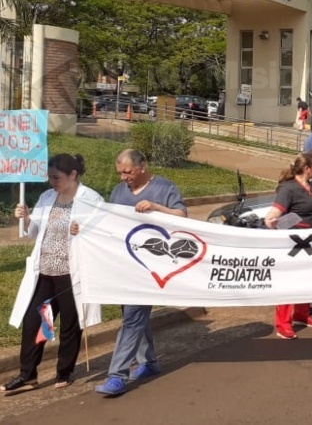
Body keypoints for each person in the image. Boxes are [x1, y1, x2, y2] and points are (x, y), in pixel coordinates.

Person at [2, 155, 104, 393]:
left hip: (71, 274)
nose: (52, 182)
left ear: (73, 175)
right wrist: (26, 218)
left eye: (56, 177)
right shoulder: (47, 197)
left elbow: (101, 233)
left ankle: (64, 371)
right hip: (46, 272)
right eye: (49, 177)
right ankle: (28, 375)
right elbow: (35, 231)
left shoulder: (91, 199)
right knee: (36, 322)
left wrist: (83, 230)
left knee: (70, 323)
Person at [95, 149, 187, 396]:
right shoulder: (117, 192)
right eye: (120, 173)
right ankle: (149, 362)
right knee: (133, 314)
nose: (124, 177)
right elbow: (108, 222)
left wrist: (156, 208)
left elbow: (182, 216)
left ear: (142, 167)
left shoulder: (164, 188)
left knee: (132, 318)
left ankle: (117, 375)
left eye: (128, 171)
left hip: (153, 267)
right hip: (125, 265)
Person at [264, 153, 312, 339]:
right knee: (289, 282)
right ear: (307, 169)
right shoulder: (289, 188)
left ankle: (301, 313)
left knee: (307, 278)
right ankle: (283, 323)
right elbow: (274, 213)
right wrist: (271, 220)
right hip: (292, 243)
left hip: (309, 240)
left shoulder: (309, 185)